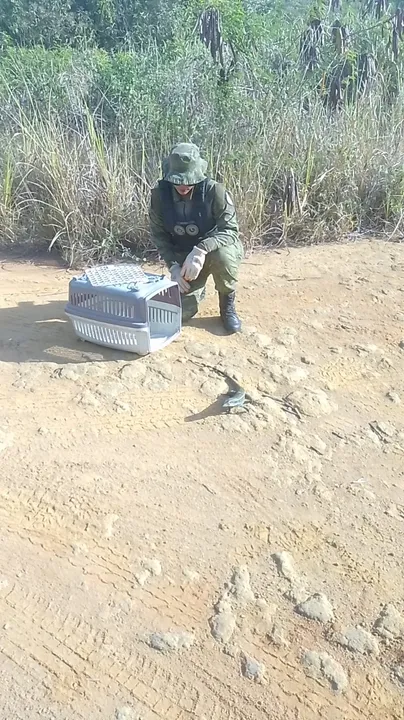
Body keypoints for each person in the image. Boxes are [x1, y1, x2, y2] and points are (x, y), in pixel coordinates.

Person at [149, 142, 243, 333]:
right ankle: (197, 289)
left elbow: (231, 230)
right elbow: (159, 235)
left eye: (188, 179)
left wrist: (201, 250)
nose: (183, 185)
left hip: (213, 251)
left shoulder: (214, 191)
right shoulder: (160, 195)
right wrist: (174, 267)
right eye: (177, 180)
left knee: (224, 256)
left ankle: (227, 305)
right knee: (178, 314)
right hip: (185, 259)